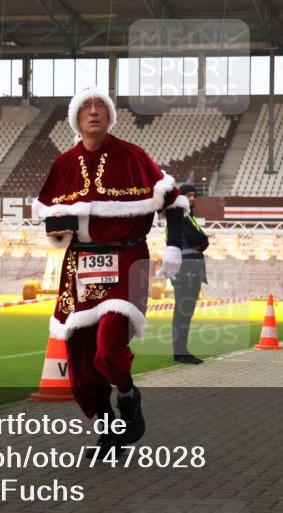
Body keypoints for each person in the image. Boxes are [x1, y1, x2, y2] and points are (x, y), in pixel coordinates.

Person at [35, 87, 189, 455]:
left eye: (101, 106)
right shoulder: (63, 165)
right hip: (79, 267)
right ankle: (110, 433)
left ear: (110, 116)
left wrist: (173, 246)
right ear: (75, 117)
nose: (93, 112)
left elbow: (175, 202)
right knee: (80, 362)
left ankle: (127, 393)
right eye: (86, 107)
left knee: (108, 348)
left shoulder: (133, 156)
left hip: (127, 260)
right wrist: (57, 233)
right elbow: (51, 220)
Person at [169, 183, 209, 364]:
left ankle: (181, 350)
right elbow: (197, 239)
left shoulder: (188, 216)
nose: (192, 198)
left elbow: (203, 241)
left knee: (186, 311)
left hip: (191, 268)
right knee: (183, 311)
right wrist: (201, 240)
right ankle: (180, 352)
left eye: (194, 195)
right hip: (185, 269)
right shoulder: (178, 215)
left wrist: (202, 240)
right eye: (188, 195)